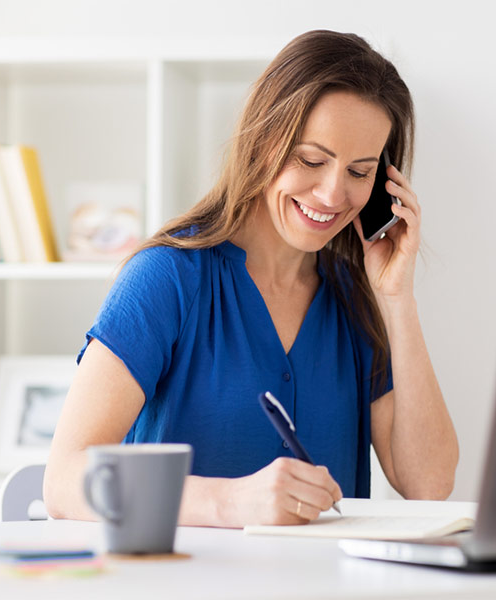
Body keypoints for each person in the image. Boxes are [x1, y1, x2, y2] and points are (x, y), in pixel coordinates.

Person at [44, 30, 459, 527]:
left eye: (359, 171)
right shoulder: (167, 277)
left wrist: (397, 297)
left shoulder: (355, 298)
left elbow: (429, 485)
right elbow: (64, 480)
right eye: (311, 159)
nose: (332, 194)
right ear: (265, 142)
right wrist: (230, 502)